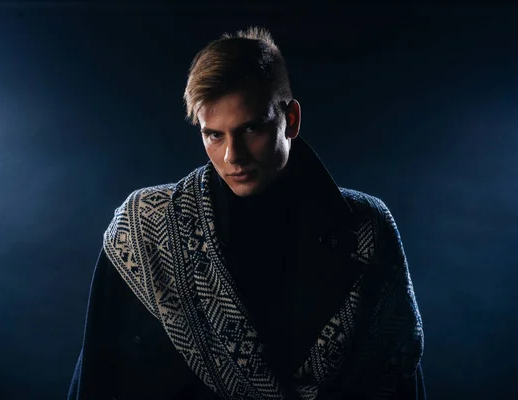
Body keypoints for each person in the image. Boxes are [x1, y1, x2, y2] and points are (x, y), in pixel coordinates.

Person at [68, 26, 426, 400]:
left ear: (291, 120)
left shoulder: (367, 228)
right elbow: (99, 372)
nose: (232, 156)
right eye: (213, 135)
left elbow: (398, 376)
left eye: (250, 129)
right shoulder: (144, 227)